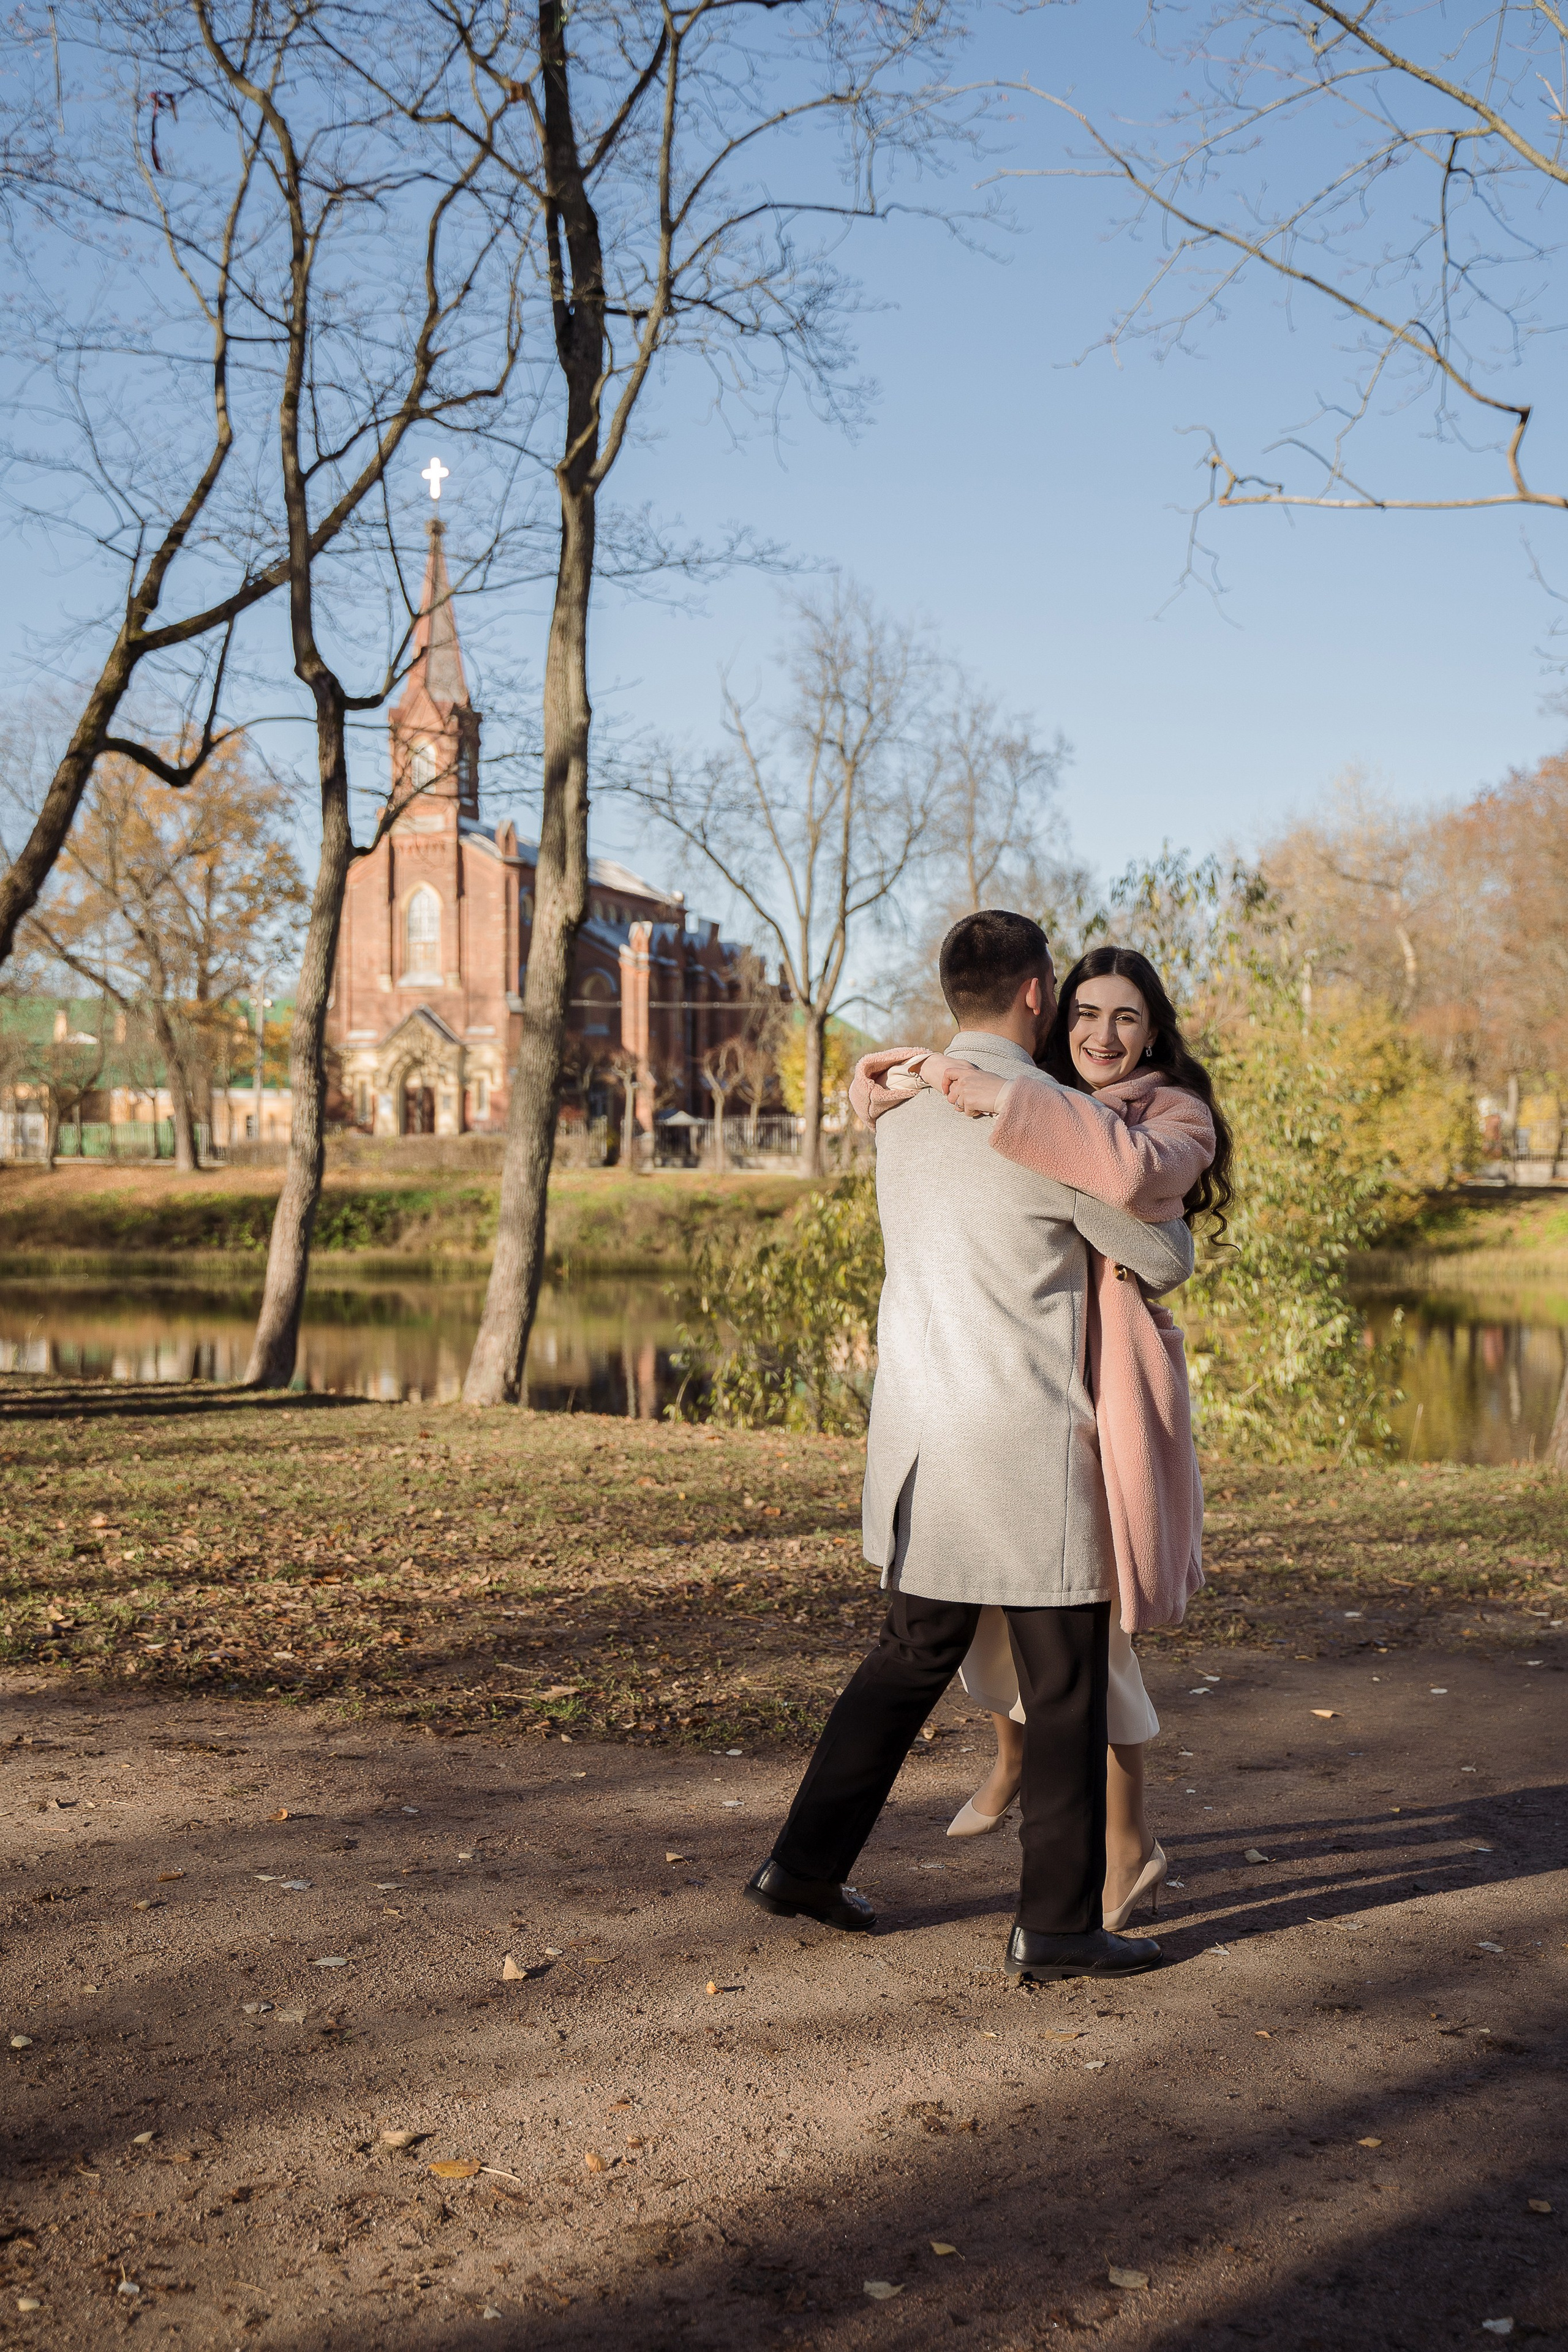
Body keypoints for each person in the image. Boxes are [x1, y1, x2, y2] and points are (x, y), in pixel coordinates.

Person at [743, 913, 1196, 1984]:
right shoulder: (1045, 1123)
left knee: (907, 1661)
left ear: (956, 993)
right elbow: (1162, 1255)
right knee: (1068, 1683)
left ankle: (801, 1866)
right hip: (1024, 1447)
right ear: (1039, 993)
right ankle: (1058, 1927)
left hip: (920, 1443)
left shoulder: (899, 1109)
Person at [853, 945, 1231, 1931]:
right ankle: (1058, 1816)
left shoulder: (1163, 1112)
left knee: (1084, 1650)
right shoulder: (1034, 1101)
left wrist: (978, 1091)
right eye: (1086, 1013)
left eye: (1126, 1017)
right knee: (1032, 1642)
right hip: (1021, 1407)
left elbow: (1161, 1239)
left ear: (1155, 1032)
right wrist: (940, 1083)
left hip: (1100, 1401)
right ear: (1047, 1006)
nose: (1103, 1033)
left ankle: (1118, 1847)